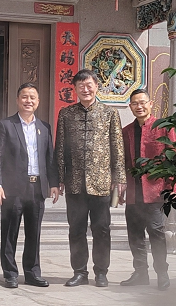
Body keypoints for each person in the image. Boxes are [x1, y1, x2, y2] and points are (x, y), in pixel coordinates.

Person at [55, 69, 125, 288]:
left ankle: (101, 272)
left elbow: (117, 147)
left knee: (101, 230)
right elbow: (60, 148)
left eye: (89, 85)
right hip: (75, 183)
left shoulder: (109, 113)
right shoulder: (66, 114)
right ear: (75, 89)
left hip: (102, 183)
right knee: (76, 230)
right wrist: (59, 178)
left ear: (96, 86)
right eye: (81, 86)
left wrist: (119, 178)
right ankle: (79, 272)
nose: (85, 89)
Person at [0, 83, 60, 289]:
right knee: (9, 233)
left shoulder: (44, 128)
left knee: (34, 233)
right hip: (12, 188)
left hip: (37, 188)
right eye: (24, 97)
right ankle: (10, 273)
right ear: (17, 100)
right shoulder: (5, 125)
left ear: (38, 102)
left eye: (32, 98)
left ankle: (32, 273)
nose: (28, 101)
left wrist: (53, 183)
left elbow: (50, 158)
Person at [119, 89, 176, 291]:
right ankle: (140, 273)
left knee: (156, 233)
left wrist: (171, 188)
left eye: (143, 102)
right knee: (135, 235)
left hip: (155, 192)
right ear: (130, 107)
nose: (139, 106)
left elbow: (174, 158)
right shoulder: (126, 131)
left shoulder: (164, 128)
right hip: (134, 193)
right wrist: (121, 190)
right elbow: (124, 163)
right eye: (135, 103)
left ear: (151, 104)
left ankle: (162, 273)